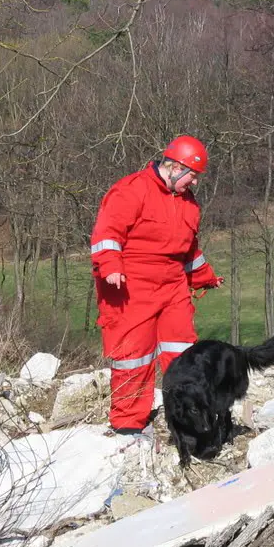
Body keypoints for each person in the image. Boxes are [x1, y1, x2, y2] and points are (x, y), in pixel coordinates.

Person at [90, 135, 224, 434]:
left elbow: (188, 250)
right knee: (132, 355)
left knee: (183, 351)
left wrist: (205, 277)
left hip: (173, 283)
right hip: (131, 284)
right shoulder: (131, 190)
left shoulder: (189, 203)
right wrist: (111, 265)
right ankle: (128, 423)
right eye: (192, 175)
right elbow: (107, 232)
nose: (195, 182)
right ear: (174, 167)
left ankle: (188, 417)